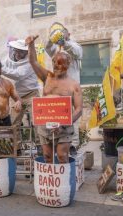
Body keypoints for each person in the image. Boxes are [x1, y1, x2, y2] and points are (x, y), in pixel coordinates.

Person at [26, 35, 83, 164]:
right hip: (45, 125)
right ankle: (50, 182)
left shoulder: (74, 85)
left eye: (60, 63)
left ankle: (64, 183)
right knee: (47, 156)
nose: (56, 66)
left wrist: (64, 123)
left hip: (63, 127)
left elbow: (79, 109)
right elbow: (33, 61)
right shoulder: (47, 77)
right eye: (54, 63)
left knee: (62, 156)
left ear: (68, 64)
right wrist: (30, 45)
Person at [45, 22, 83, 153]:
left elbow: (78, 53)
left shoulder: (74, 45)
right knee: (57, 114)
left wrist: (64, 43)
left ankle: (73, 144)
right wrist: (51, 39)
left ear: (68, 34)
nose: (60, 35)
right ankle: (58, 141)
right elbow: (47, 48)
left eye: (62, 33)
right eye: (57, 33)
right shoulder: (56, 49)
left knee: (74, 113)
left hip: (72, 87)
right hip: (59, 86)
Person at [2, 39, 41, 149]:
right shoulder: (9, 59)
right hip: (16, 97)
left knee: (37, 122)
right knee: (14, 122)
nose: (18, 54)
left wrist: (1, 68)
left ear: (26, 52)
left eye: (21, 52)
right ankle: (16, 148)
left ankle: (40, 147)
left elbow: (18, 75)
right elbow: (4, 65)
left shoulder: (30, 62)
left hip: (32, 94)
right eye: (17, 51)